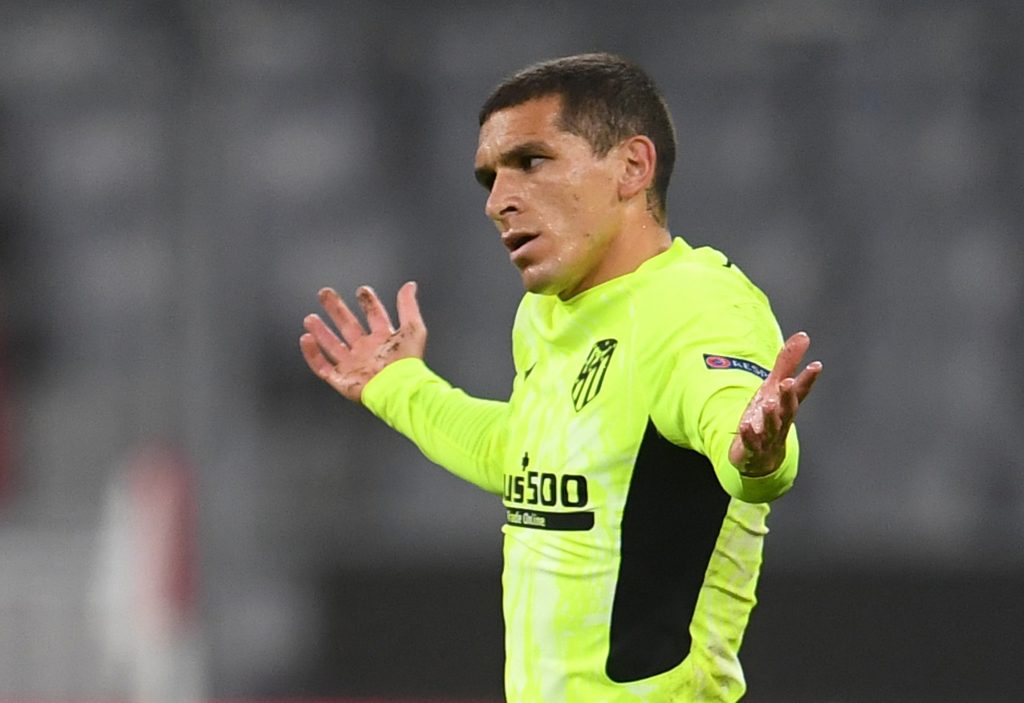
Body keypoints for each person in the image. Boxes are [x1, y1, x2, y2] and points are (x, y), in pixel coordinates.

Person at [300, 53, 821, 703]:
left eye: (531, 161)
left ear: (632, 166)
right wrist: (397, 384)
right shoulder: (547, 313)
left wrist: (759, 453)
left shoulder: (697, 307)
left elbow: (738, 437)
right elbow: (529, 451)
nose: (498, 202)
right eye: (489, 177)